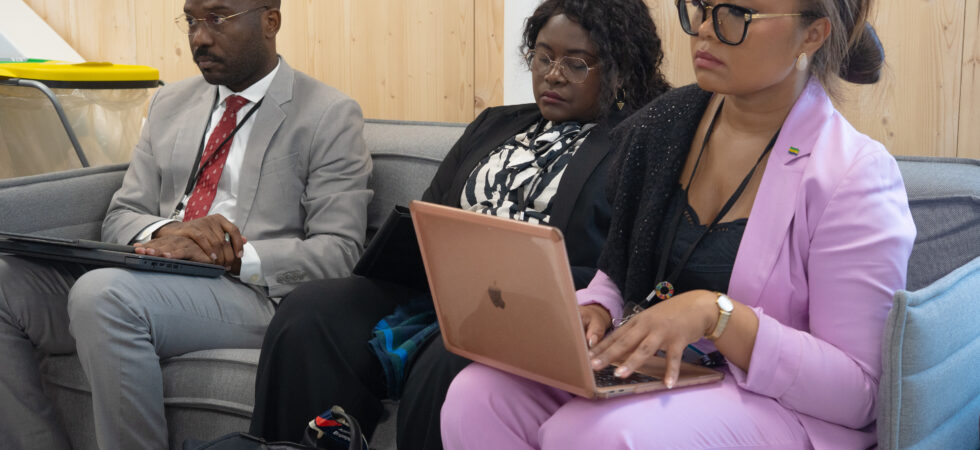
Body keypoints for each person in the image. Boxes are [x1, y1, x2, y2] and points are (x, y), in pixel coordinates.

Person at [441, 0, 916, 448]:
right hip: (661, 371)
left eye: (736, 13)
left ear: (812, 34)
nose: (706, 29)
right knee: (478, 396)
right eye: (701, 8)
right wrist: (600, 307)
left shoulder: (853, 174)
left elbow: (860, 391)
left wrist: (718, 316)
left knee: (594, 434)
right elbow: (622, 271)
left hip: (775, 401)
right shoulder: (664, 125)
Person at [247, 0, 670, 448]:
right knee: (309, 311)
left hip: (532, 309)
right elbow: (431, 213)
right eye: (543, 57)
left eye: (576, 64)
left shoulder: (636, 143)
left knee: (452, 357)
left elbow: (622, 263)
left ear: (621, 69)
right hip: (440, 288)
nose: (553, 74)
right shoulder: (494, 124)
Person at [0, 0, 371, 448]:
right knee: (5, 283)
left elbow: (339, 252)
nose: (199, 37)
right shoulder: (170, 103)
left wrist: (230, 255)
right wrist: (164, 232)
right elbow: (121, 215)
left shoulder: (328, 114)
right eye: (191, 20)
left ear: (270, 21)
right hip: (149, 274)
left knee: (103, 294)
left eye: (217, 18)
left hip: (248, 292)